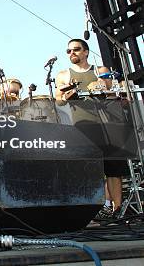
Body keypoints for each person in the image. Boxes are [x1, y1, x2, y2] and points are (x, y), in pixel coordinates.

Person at [55, 38, 129, 219]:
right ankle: (93, 211)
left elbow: (119, 95)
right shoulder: (64, 75)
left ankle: (117, 210)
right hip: (82, 124)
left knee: (113, 167)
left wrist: (105, 90)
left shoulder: (100, 71)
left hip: (108, 123)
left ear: (86, 52)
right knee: (90, 168)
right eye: (69, 51)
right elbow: (58, 99)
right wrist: (68, 94)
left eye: (76, 49)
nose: (72, 53)